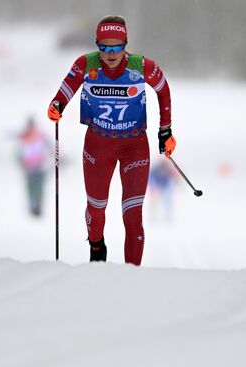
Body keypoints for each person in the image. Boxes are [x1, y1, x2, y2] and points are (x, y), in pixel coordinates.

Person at [47, 15, 176, 264]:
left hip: (134, 147)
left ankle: (132, 273)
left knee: (132, 214)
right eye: (104, 46)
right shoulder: (86, 63)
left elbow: (163, 90)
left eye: (116, 46)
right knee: (96, 209)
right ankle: (97, 248)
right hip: (98, 145)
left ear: (125, 44)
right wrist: (57, 104)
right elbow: (67, 86)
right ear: (97, 45)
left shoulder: (142, 66)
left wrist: (166, 131)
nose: (110, 53)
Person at [17, 117, 50, 216]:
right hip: (30, 168)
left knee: (38, 189)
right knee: (32, 189)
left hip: (38, 167)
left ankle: (37, 207)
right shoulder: (25, 136)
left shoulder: (39, 135)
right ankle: (33, 207)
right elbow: (19, 151)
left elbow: (49, 146)